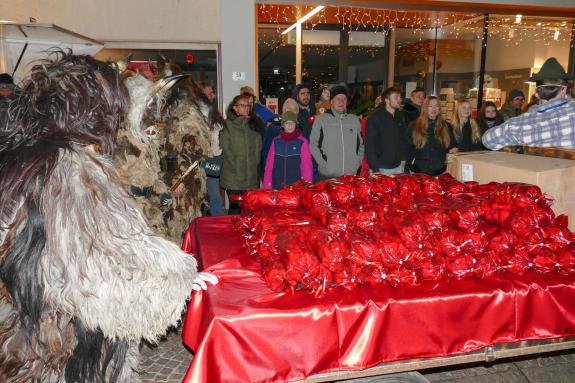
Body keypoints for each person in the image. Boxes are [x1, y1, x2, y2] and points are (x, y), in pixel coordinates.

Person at [0, 52, 217, 383]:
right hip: (68, 349)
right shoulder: (69, 174)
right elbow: (98, 283)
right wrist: (176, 282)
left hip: (30, 336)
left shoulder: (25, 160)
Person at [483, 57, 575, 150]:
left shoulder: (520, 124)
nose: (520, 102)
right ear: (564, 89)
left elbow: (487, 140)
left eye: (521, 99)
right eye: (517, 99)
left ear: (536, 94)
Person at [310, 84, 364, 180]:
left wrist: (357, 162)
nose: (341, 102)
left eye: (344, 99)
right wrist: (324, 164)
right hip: (327, 176)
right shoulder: (321, 120)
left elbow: (361, 144)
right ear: (331, 101)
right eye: (338, 99)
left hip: (350, 176)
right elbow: (313, 145)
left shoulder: (354, 120)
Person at [220, 94, 262, 213]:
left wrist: (255, 162)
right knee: (235, 209)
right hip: (233, 176)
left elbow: (258, 146)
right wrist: (238, 167)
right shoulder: (227, 125)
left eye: (248, 106)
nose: (247, 108)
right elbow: (226, 149)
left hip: (251, 176)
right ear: (235, 108)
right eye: (243, 106)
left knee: (250, 209)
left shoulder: (254, 124)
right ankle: (231, 231)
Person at [406, 96, 458, 176]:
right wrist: (406, 170)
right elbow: (407, 148)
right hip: (418, 172)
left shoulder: (446, 126)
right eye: (430, 106)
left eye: (436, 106)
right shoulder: (414, 125)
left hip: (440, 172)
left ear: (439, 109)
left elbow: (452, 146)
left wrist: (452, 150)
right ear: (425, 108)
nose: (434, 109)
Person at [263, 111, 313, 189]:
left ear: (296, 124)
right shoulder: (276, 141)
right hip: (277, 186)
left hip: (296, 187)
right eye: (287, 123)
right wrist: (267, 185)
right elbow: (269, 165)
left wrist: (306, 186)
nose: (290, 125)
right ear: (282, 125)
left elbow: (307, 166)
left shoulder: (302, 142)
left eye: (292, 123)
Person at [365, 87, 408, 175]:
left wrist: (403, 160)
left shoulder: (400, 117)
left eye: (400, 97)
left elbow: (404, 140)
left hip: (398, 167)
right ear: (387, 100)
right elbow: (370, 145)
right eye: (396, 97)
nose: (400, 99)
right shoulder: (375, 117)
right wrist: (375, 168)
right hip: (381, 169)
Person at [200, 80, 225, 216]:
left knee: (215, 194)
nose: (213, 96)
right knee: (200, 194)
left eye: (212, 94)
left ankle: (218, 222)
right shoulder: (195, 112)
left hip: (213, 159)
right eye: (209, 94)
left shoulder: (214, 113)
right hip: (199, 160)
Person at [262, 97, 299, 169]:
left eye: (295, 110)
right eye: (289, 110)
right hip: (277, 169)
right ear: (284, 111)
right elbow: (266, 153)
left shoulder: (298, 128)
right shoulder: (274, 128)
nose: (292, 113)